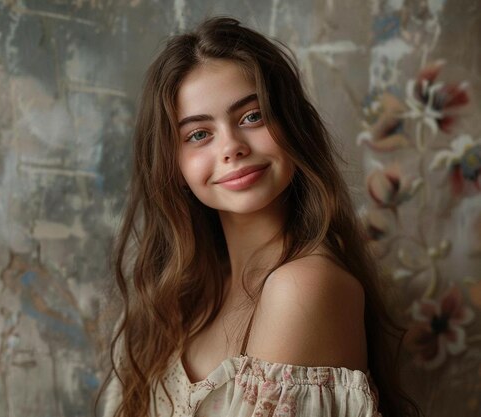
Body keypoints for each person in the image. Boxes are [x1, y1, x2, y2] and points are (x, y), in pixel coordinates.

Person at [99, 16, 420, 417]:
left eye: (252, 116)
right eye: (199, 134)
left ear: (292, 126)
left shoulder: (302, 287)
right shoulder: (178, 293)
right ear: (172, 165)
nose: (231, 147)